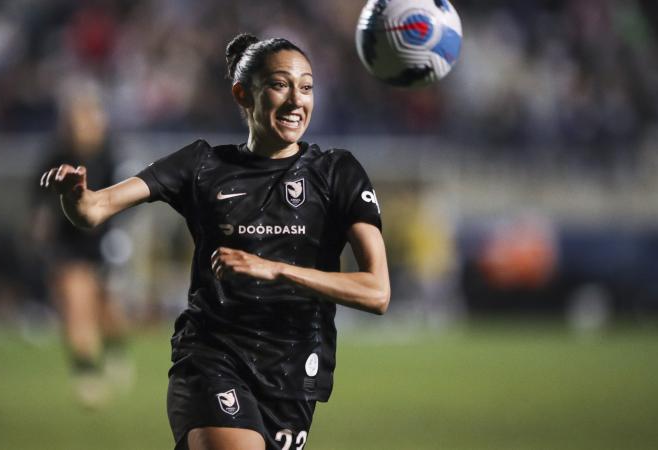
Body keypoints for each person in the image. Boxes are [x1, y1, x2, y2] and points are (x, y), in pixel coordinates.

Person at [40, 33, 390, 449]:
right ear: (243, 94)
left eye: (307, 86)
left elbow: (377, 291)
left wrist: (276, 270)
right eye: (280, 85)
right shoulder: (202, 165)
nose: (297, 100)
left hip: (293, 376)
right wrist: (75, 196)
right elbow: (94, 210)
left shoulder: (338, 174)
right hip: (212, 360)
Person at [33, 79, 133, 408]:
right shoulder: (56, 155)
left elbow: (126, 199)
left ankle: (116, 350)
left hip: (104, 239)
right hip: (69, 241)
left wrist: (116, 235)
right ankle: (87, 375)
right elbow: (38, 196)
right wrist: (40, 222)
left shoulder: (111, 154)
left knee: (108, 309)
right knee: (78, 303)